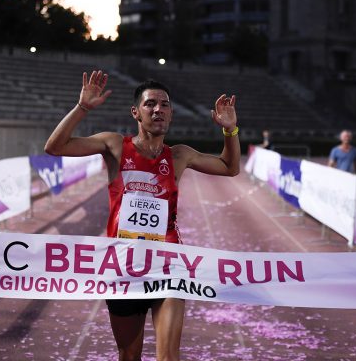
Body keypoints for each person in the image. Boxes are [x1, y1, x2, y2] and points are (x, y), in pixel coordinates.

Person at [44, 70, 240, 361]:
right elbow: (55, 147)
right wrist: (82, 107)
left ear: (171, 113)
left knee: (168, 357)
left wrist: (229, 130)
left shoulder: (179, 156)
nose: (158, 109)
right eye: (150, 104)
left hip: (168, 265)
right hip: (123, 266)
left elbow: (230, 167)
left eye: (165, 104)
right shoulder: (114, 145)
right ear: (136, 112)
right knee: (129, 354)